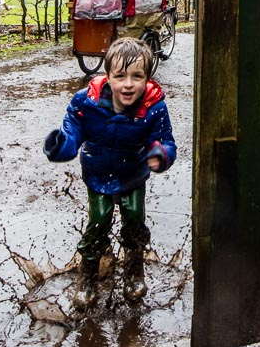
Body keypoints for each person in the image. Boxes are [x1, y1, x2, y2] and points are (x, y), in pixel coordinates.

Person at [44, 37, 176, 309]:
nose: (128, 84)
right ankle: (88, 276)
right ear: (108, 76)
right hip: (98, 172)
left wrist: (160, 154)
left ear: (147, 78)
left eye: (137, 76)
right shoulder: (86, 103)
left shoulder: (154, 107)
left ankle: (134, 271)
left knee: (134, 218)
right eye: (120, 76)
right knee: (99, 220)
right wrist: (60, 146)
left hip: (133, 173)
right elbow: (72, 133)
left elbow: (164, 139)